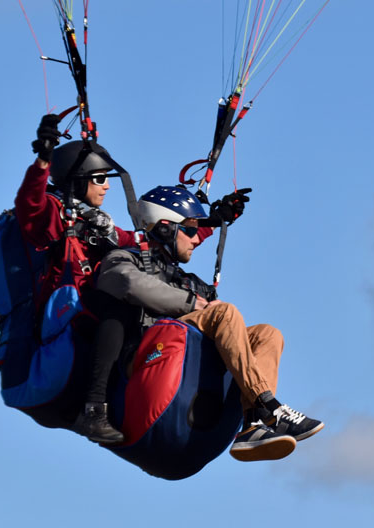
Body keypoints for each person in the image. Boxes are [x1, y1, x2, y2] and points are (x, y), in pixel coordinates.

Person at [95, 185, 324, 461]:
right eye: (190, 230)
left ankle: (253, 424)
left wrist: (218, 219)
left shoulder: (183, 278)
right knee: (225, 312)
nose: (195, 239)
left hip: (180, 354)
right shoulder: (124, 258)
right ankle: (269, 406)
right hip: (144, 355)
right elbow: (127, 282)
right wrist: (195, 304)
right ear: (166, 229)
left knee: (267, 334)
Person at [15, 114, 136, 444]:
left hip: (86, 304)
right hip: (62, 309)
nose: (107, 185)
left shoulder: (102, 225)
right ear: (78, 179)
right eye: (99, 178)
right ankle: (94, 409)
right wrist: (43, 160)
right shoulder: (55, 212)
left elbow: (145, 242)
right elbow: (29, 208)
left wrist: (204, 224)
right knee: (118, 308)